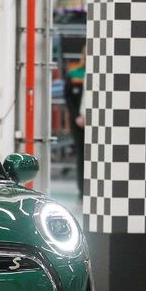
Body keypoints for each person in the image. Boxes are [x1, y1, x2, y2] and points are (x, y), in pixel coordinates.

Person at [64, 47, 87, 198]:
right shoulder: (75, 73)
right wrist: (76, 116)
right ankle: (82, 189)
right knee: (82, 154)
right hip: (79, 121)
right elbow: (68, 98)